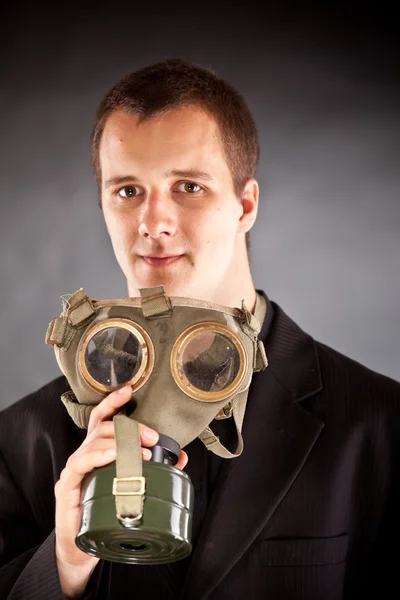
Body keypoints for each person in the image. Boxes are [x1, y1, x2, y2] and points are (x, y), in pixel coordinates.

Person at [0, 57, 399, 600]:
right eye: (127, 191)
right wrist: (63, 564)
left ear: (245, 205)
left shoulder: (378, 427)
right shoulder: (23, 439)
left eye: (187, 186)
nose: (153, 222)